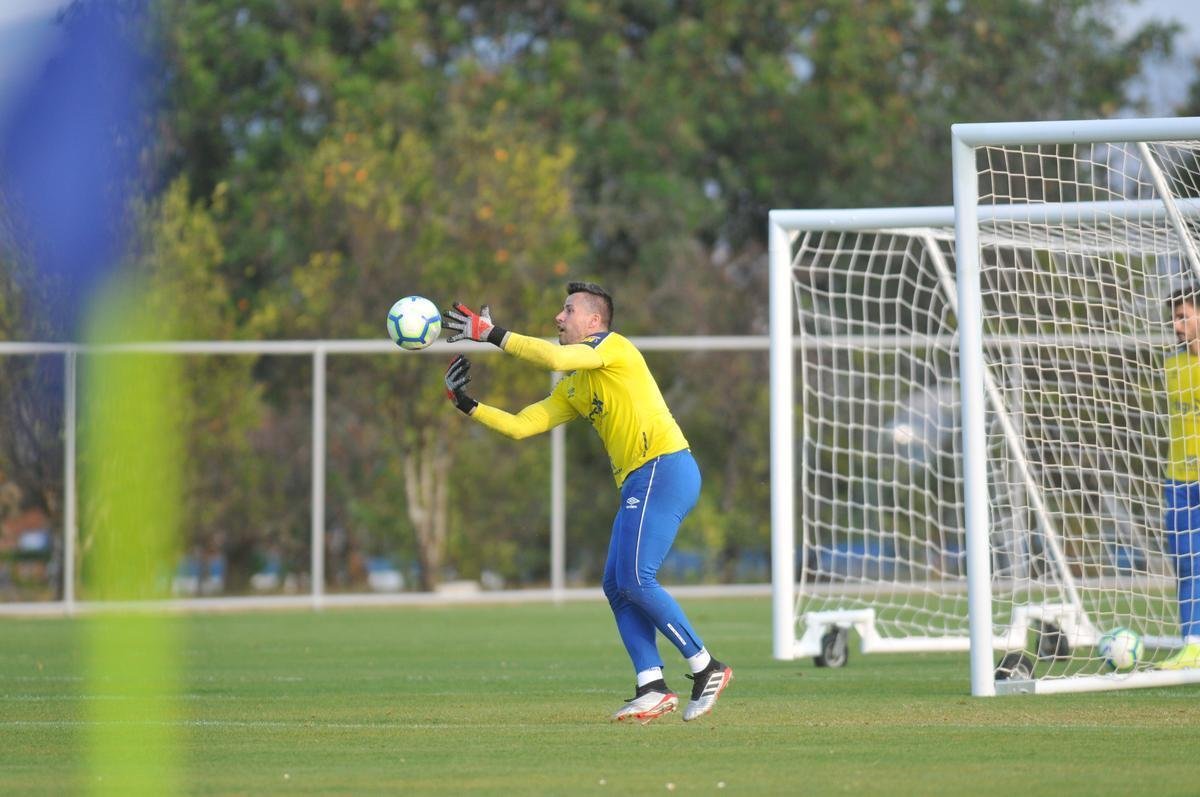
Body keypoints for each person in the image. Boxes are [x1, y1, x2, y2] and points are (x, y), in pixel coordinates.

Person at [441, 282, 732, 722]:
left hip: (664, 467)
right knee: (616, 584)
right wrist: (465, 404)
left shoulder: (615, 347)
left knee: (636, 578)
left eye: (568, 310)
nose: (558, 317)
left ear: (595, 321)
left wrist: (490, 333)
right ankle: (651, 684)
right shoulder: (575, 387)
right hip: (640, 480)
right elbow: (522, 426)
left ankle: (706, 666)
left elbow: (554, 358)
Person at [1160, 285, 1200, 669]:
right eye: (1174, 318)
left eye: (1183, 316)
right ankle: (1192, 644)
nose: (1176, 325)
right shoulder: (1171, 366)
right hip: (1179, 479)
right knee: (1187, 562)